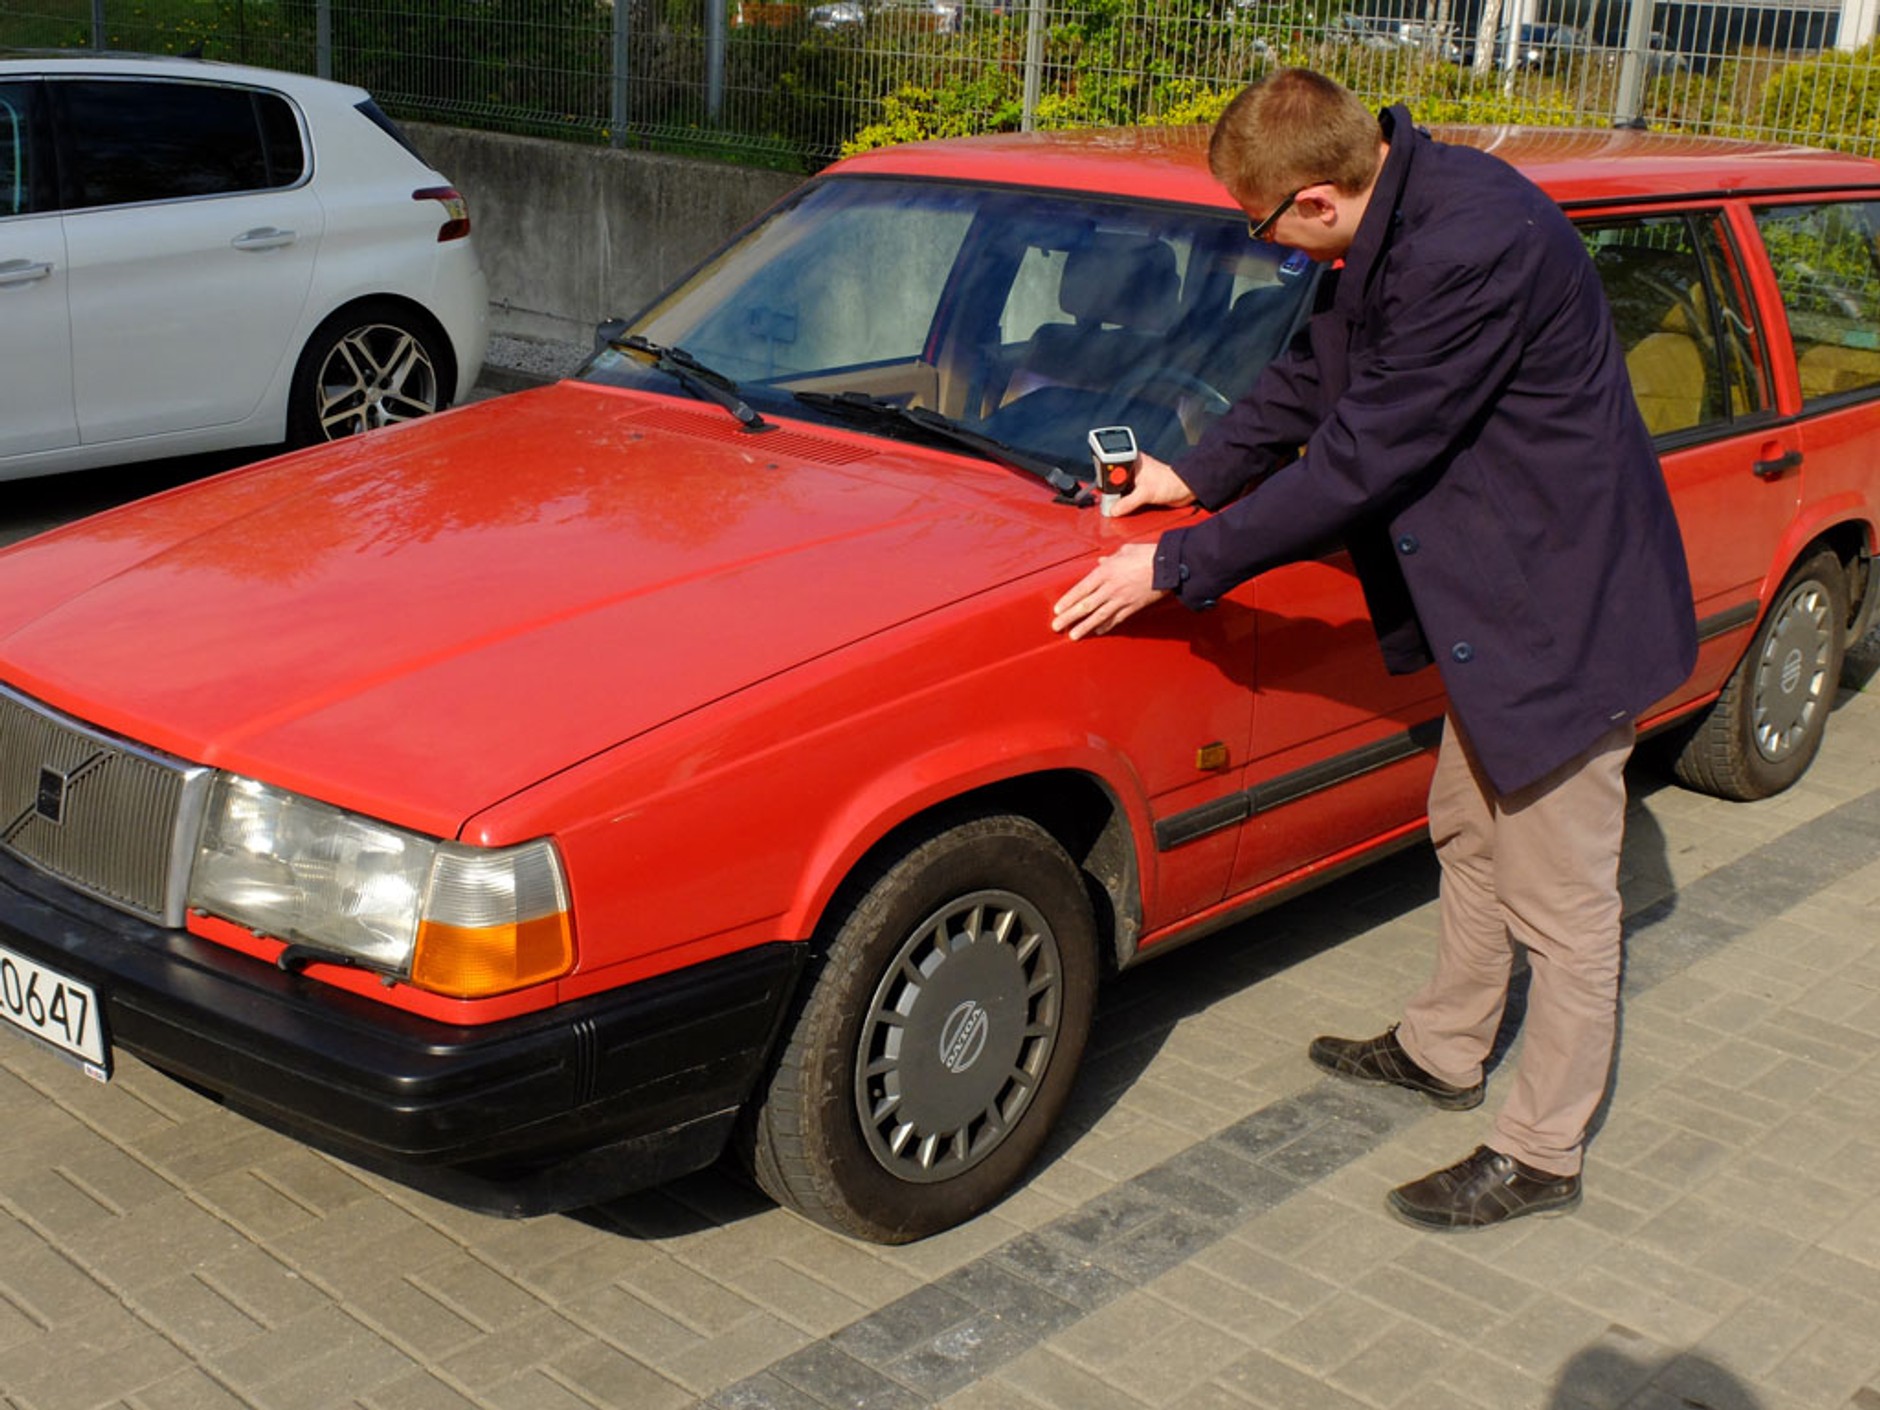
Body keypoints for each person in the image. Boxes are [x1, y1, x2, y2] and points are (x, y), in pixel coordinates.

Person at [1049, 68, 1698, 1230]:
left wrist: (1179, 562)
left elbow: (1363, 453)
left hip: (1555, 615)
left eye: (1268, 232)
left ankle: (1540, 1151)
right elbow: (1314, 376)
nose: (1282, 258)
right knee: (1465, 827)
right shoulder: (1392, 216)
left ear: (1311, 200)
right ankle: (1445, 1050)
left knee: (1562, 902)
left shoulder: (1468, 246)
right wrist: (1191, 473)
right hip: (1495, 605)